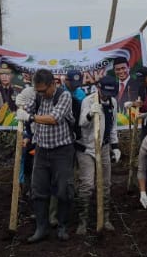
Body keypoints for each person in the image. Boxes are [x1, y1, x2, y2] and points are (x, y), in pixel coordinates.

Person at [16, 68, 75, 243]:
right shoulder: (37, 96)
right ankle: (41, 228)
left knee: (64, 190)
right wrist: (19, 107)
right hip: (42, 150)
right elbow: (24, 110)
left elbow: (54, 118)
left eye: (43, 90)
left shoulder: (64, 96)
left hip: (62, 150)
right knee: (38, 190)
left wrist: (31, 117)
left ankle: (63, 226)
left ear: (53, 84)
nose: (41, 93)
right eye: (38, 90)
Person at [73, 76, 121, 235]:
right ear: (99, 88)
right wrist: (90, 115)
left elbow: (113, 126)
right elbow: (81, 123)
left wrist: (115, 146)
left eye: (110, 93)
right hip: (87, 147)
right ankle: (82, 220)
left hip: (104, 146)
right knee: (87, 184)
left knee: (106, 184)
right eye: (104, 92)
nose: (107, 95)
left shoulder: (113, 103)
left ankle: (105, 218)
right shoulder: (88, 101)